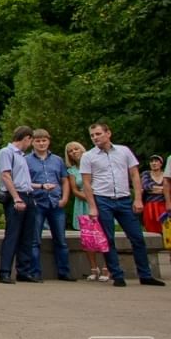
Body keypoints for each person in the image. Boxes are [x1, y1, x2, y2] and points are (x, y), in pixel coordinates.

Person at [81, 123, 165, 288]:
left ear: (108, 133)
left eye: (98, 134)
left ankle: (145, 275)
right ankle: (117, 275)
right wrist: (92, 206)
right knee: (108, 238)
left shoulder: (123, 151)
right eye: (92, 135)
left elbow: (134, 174)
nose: (95, 138)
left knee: (137, 237)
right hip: (102, 198)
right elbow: (86, 182)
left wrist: (138, 198)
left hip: (124, 198)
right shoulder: (88, 156)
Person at [25, 129, 73, 281]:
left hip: (56, 202)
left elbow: (64, 180)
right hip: (37, 202)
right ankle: (35, 272)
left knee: (61, 240)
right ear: (32, 142)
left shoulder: (57, 160)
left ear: (48, 141)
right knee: (35, 240)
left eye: (44, 140)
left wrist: (65, 198)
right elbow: (24, 182)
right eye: (38, 141)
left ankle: (64, 272)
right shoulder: (26, 160)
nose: (41, 143)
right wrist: (40, 186)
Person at [0, 125, 36, 283]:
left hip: (28, 194)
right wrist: (16, 198)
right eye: (30, 140)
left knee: (27, 235)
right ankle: (5, 271)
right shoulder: (7, 152)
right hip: (16, 195)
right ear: (26, 138)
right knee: (12, 234)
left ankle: (23, 271)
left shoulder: (22, 156)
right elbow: (6, 175)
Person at [65, 141, 107, 281]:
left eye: (76, 148)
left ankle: (107, 268)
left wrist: (93, 198)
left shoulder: (93, 164)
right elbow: (75, 190)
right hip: (82, 203)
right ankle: (93, 268)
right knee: (88, 238)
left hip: (99, 200)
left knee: (103, 235)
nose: (74, 152)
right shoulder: (72, 170)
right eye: (70, 151)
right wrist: (88, 198)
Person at [140, 155, 165, 234]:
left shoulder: (165, 175)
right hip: (150, 206)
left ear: (161, 164)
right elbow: (146, 186)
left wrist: (154, 189)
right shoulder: (146, 174)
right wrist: (163, 189)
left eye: (156, 161)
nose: (154, 163)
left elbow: (169, 189)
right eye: (152, 161)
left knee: (165, 228)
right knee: (151, 229)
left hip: (164, 205)